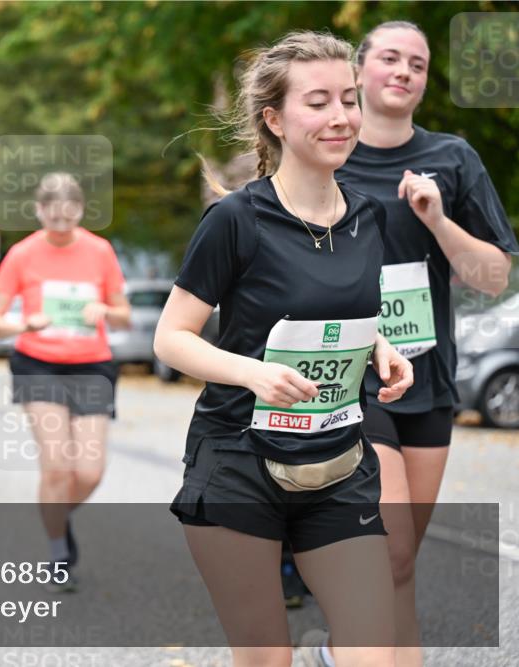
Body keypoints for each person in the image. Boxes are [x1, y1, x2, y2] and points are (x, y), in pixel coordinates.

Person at [153, 31, 414, 667]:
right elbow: (172, 337)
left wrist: (380, 344)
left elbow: (332, 309)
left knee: (374, 654)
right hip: (239, 461)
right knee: (267, 659)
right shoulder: (235, 219)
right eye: (318, 102)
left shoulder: (369, 217)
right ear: (274, 119)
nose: (340, 117)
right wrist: (254, 375)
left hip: (337, 461)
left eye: (349, 100)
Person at [292, 22, 519, 667]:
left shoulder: (452, 159)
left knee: (400, 561)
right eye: (389, 58)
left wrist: (437, 219)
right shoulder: (331, 153)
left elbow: (492, 275)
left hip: (429, 376)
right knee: (387, 544)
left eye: (417, 63)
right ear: (359, 72)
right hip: (352, 377)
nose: (404, 71)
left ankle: (339, 654)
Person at [0, 172, 131, 592]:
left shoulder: (100, 251)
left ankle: (57, 516)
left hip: (91, 364)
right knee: (57, 466)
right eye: (54, 220)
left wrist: (103, 310)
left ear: (81, 212)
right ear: (39, 211)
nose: (62, 229)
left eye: (69, 220)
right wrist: (22, 322)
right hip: (38, 363)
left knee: (89, 472)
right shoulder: (22, 254)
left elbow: (124, 313)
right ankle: (57, 551)